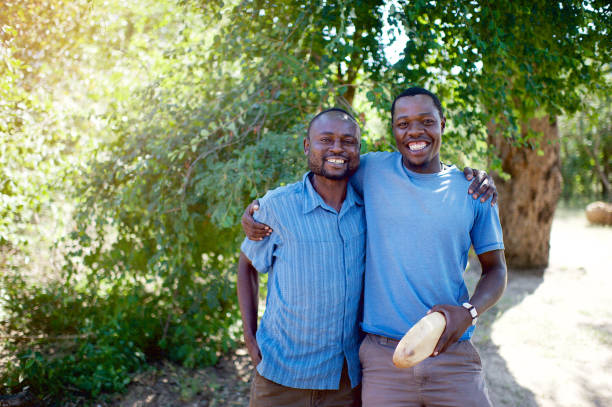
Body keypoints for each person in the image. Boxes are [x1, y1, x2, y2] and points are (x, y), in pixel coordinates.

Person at [243, 87, 506, 407]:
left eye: (426, 121)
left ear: (442, 123)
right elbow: (322, 174)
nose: (415, 131)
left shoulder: (471, 191)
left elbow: (496, 269)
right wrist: (258, 208)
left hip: (444, 352)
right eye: (403, 123)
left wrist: (470, 311)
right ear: (393, 129)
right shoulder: (369, 172)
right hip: (373, 360)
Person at [238, 108, 365, 406]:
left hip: (344, 382)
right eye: (326, 139)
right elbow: (246, 265)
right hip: (281, 378)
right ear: (308, 146)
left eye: (348, 141)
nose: (337, 148)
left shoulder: (370, 207)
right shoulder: (276, 208)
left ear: (358, 149)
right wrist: (249, 334)